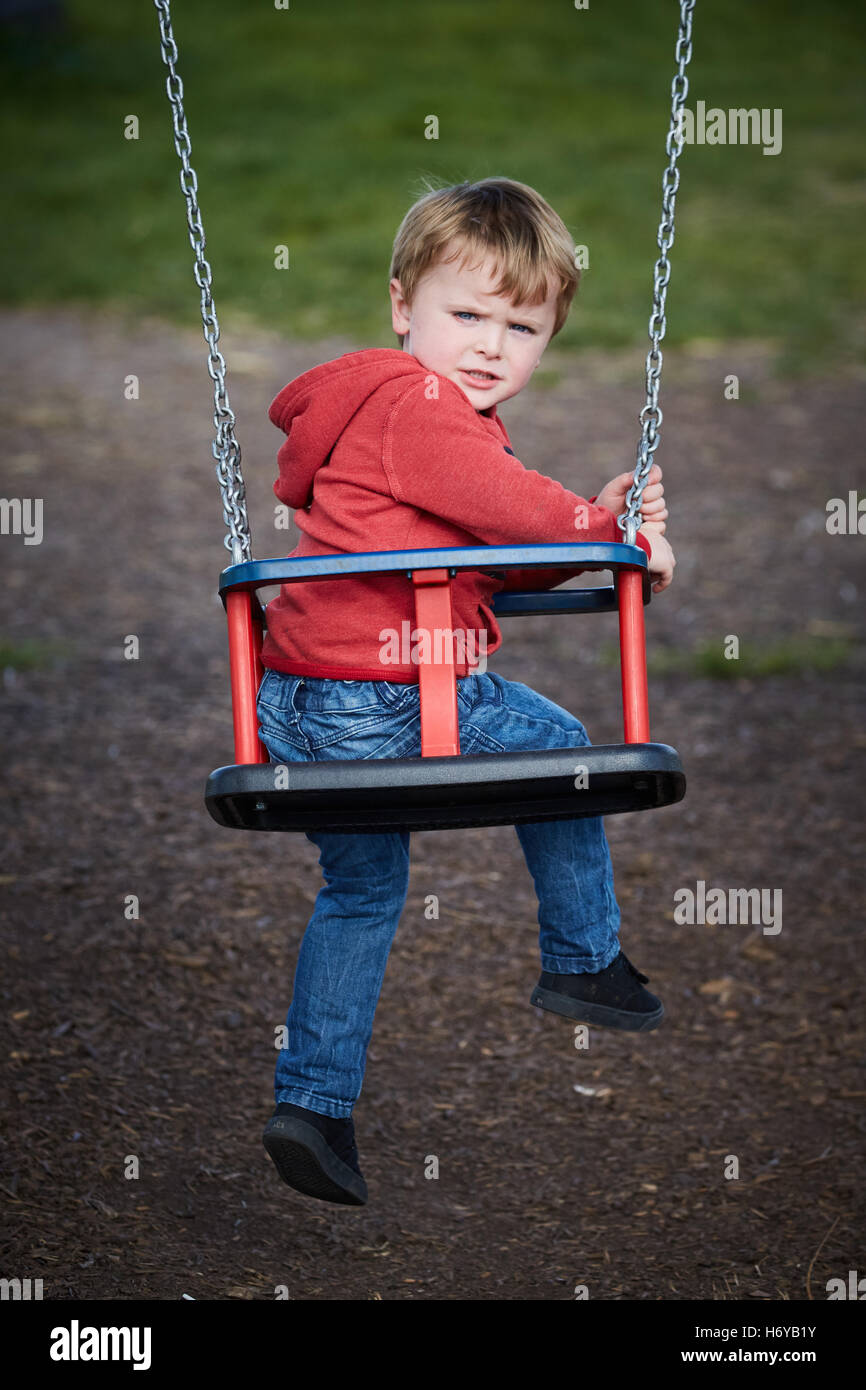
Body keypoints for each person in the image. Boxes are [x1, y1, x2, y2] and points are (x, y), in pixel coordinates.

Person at [257, 177, 676, 1206]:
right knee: (567, 752)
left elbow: (501, 550)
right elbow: (514, 511)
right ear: (402, 306)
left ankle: (311, 1108)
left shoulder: (400, 413)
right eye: (465, 315)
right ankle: (581, 957)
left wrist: (593, 521)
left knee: (360, 892)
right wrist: (612, 537)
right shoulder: (420, 403)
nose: (490, 345)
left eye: (520, 326)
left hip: (305, 707)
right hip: (391, 698)